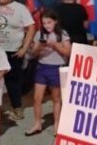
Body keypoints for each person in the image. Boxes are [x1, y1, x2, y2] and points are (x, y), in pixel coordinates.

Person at [25, 9, 71, 137]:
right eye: (44, 23)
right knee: (37, 98)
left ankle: (57, 124)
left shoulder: (62, 34)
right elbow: (32, 54)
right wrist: (39, 47)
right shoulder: (39, 34)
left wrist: (55, 45)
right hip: (42, 67)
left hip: (56, 68)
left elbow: (68, 52)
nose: (46, 25)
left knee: (56, 99)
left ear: (55, 21)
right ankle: (37, 123)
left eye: (49, 22)